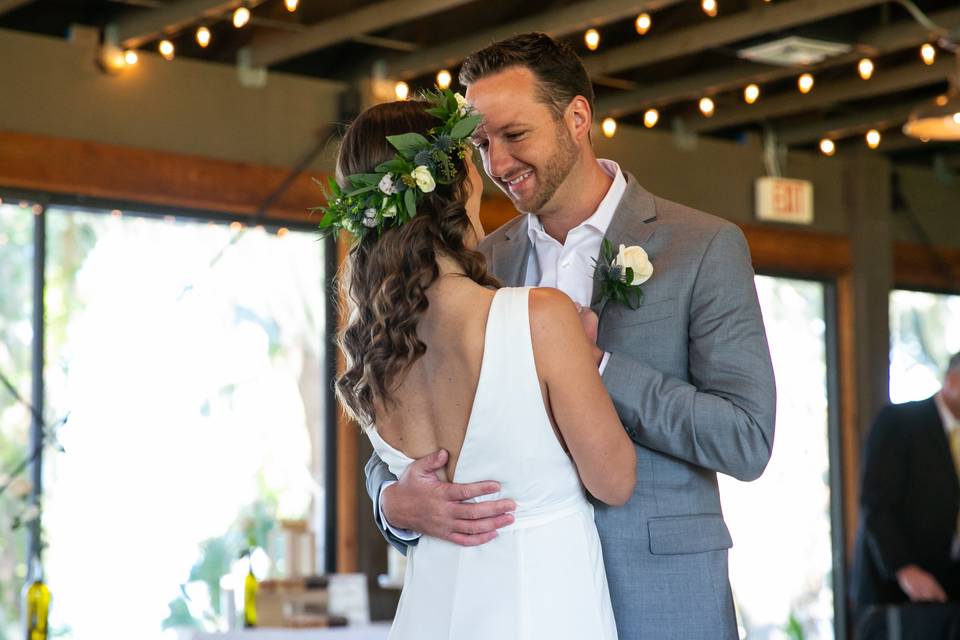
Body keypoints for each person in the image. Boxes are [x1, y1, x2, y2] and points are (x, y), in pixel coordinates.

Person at [366, 33, 777, 639]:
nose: (497, 164)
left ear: (577, 118)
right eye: (480, 144)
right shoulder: (479, 264)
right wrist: (391, 503)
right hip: (522, 598)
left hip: (661, 596)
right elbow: (401, 422)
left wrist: (601, 368)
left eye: (514, 135)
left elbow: (746, 439)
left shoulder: (703, 247)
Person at [330, 93, 636, 639]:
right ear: (452, 186)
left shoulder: (374, 355)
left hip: (429, 614)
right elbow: (614, 481)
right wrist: (584, 366)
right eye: (473, 156)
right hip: (542, 612)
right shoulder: (541, 317)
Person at [852, 352, 960, 623]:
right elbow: (875, 504)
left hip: (951, 591)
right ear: (953, 380)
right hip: (897, 596)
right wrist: (904, 569)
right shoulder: (899, 422)